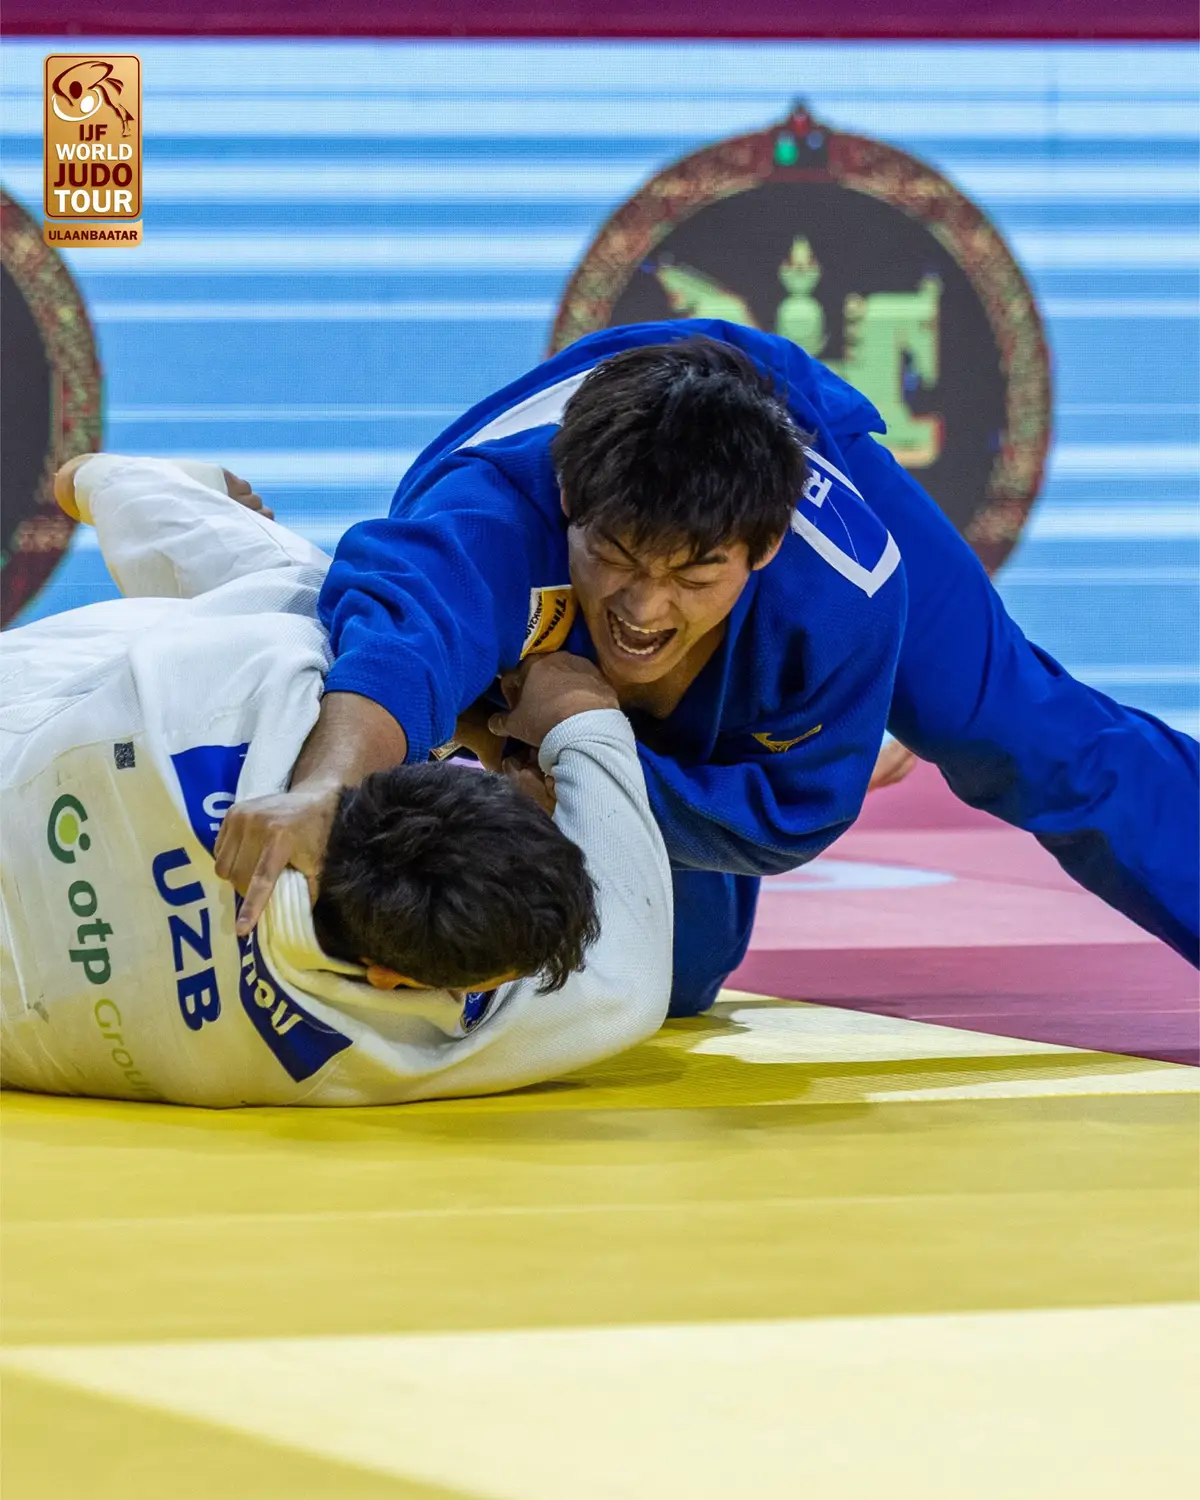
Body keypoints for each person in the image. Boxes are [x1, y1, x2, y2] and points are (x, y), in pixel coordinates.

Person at [217, 325, 1200, 1015]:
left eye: (692, 575)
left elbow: (798, 812)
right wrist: (329, 786)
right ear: (566, 505)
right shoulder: (491, 515)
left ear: (761, 549)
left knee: (1019, 733)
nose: (645, 608)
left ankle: (860, 726)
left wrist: (579, 754)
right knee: (675, 989)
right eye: (615, 562)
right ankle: (653, 707)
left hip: (780, 539)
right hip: (582, 548)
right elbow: (400, 640)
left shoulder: (844, 590)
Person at [0, 455, 673, 1107]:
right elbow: (630, 983)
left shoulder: (272, 678)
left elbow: (314, 599)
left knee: (308, 600)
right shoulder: (361, 1060)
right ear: (393, 978)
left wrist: (581, 720)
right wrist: (586, 725)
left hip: (51, 712)